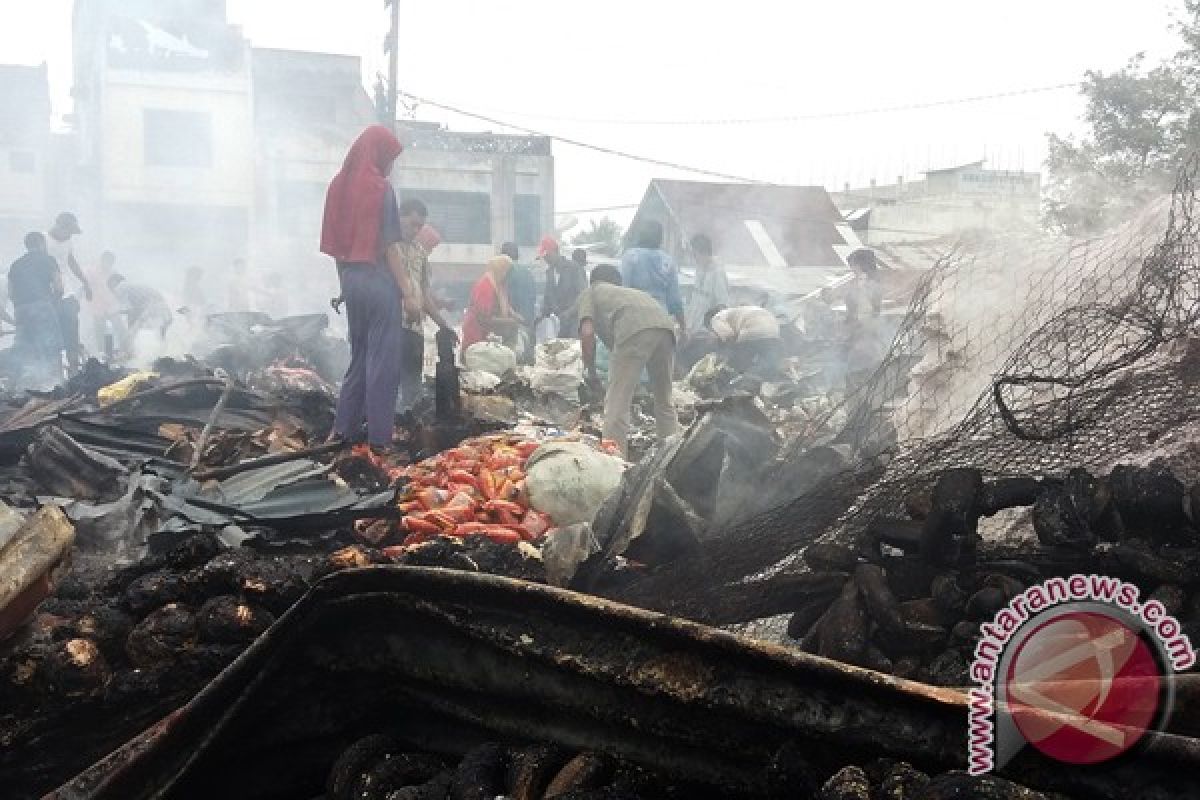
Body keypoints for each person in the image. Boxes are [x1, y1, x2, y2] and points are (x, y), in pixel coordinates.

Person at [321, 125, 420, 452]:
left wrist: (344, 288)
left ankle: (343, 430)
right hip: (378, 281)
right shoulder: (381, 189)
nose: (390, 166)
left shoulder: (337, 185)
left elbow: (336, 247)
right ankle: (380, 439)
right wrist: (408, 292)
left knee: (358, 356)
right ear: (378, 154)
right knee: (383, 361)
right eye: (390, 158)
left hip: (351, 279)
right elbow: (390, 246)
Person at [578, 264, 681, 458]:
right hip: (666, 329)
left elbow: (587, 332)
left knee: (616, 403)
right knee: (664, 399)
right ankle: (672, 457)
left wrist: (589, 368)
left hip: (633, 329)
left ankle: (615, 463)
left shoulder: (591, 292)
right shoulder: (631, 294)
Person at [397, 222, 456, 410]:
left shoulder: (420, 256)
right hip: (392, 326)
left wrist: (442, 324)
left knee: (412, 382)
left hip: (414, 328)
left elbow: (424, 295)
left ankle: (407, 421)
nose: (429, 250)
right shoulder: (393, 250)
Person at [8, 232, 64, 386]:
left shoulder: (15, 264)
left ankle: (22, 386)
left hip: (20, 310)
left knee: (24, 348)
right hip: (41, 307)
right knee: (51, 346)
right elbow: (59, 286)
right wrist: (54, 303)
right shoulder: (48, 260)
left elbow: (11, 293)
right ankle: (56, 385)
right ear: (41, 243)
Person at [620, 220, 687, 342]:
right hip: (661, 322)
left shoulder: (630, 256)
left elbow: (621, 292)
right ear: (660, 238)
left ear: (641, 235)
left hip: (635, 322)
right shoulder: (668, 261)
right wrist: (683, 328)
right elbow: (675, 301)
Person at [45, 212, 91, 372]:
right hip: (49, 294)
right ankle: (56, 372)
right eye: (68, 230)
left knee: (72, 330)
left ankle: (74, 370)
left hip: (67, 293)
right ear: (59, 225)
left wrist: (85, 282)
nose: (69, 235)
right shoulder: (43, 240)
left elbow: (71, 262)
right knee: (53, 335)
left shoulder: (68, 241)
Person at [843, 248, 886, 392]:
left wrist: (853, 327)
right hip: (870, 333)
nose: (852, 270)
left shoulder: (863, 284)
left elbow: (863, 311)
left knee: (856, 371)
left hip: (864, 333)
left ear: (860, 265)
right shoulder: (876, 283)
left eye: (853, 266)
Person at [461, 254, 520, 353]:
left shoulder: (498, 285)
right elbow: (483, 319)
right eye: (506, 272)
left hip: (487, 338)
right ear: (501, 270)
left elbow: (504, 307)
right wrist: (509, 321)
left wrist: (513, 315)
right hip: (476, 338)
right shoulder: (485, 287)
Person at [707, 304, 782, 376]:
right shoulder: (735, 312)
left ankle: (741, 382)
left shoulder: (716, 318)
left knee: (739, 365)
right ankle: (768, 379)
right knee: (769, 363)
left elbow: (729, 335)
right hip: (773, 329)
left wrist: (726, 352)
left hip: (753, 329)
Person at [539, 236, 585, 339]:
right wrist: (541, 315)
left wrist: (569, 312)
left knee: (573, 350)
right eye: (544, 256)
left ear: (555, 251)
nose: (546, 259)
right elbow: (548, 296)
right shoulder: (549, 272)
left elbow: (584, 295)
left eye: (547, 255)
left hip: (574, 322)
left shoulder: (574, 268)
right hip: (559, 323)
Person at [109, 274, 173, 346]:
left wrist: (114, 313)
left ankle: (129, 349)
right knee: (161, 337)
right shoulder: (134, 286)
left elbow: (128, 309)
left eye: (110, 287)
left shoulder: (122, 286)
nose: (112, 292)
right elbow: (131, 309)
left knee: (132, 332)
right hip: (163, 310)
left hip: (152, 307)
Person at [683, 233, 729, 333]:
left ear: (703, 253)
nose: (693, 258)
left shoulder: (717, 272)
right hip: (694, 327)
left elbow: (722, 305)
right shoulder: (700, 268)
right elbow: (695, 300)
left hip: (706, 330)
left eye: (694, 254)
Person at [501, 242, 536, 363]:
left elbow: (503, 299)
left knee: (511, 364)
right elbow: (533, 299)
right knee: (527, 366)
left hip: (512, 326)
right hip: (529, 325)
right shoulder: (528, 273)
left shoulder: (505, 272)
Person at [88, 251, 127, 358]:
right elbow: (87, 288)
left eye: (110, 263)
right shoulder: (92, 272)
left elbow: (119, 289)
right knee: (99, 331)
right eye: (106, 262)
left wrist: (120, 304)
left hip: (112, 306)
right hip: (97, 306)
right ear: (102, 260)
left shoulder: (114, 272)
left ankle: (124, 350)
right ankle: (102, 353)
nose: (108, 265)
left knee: (120, 328)